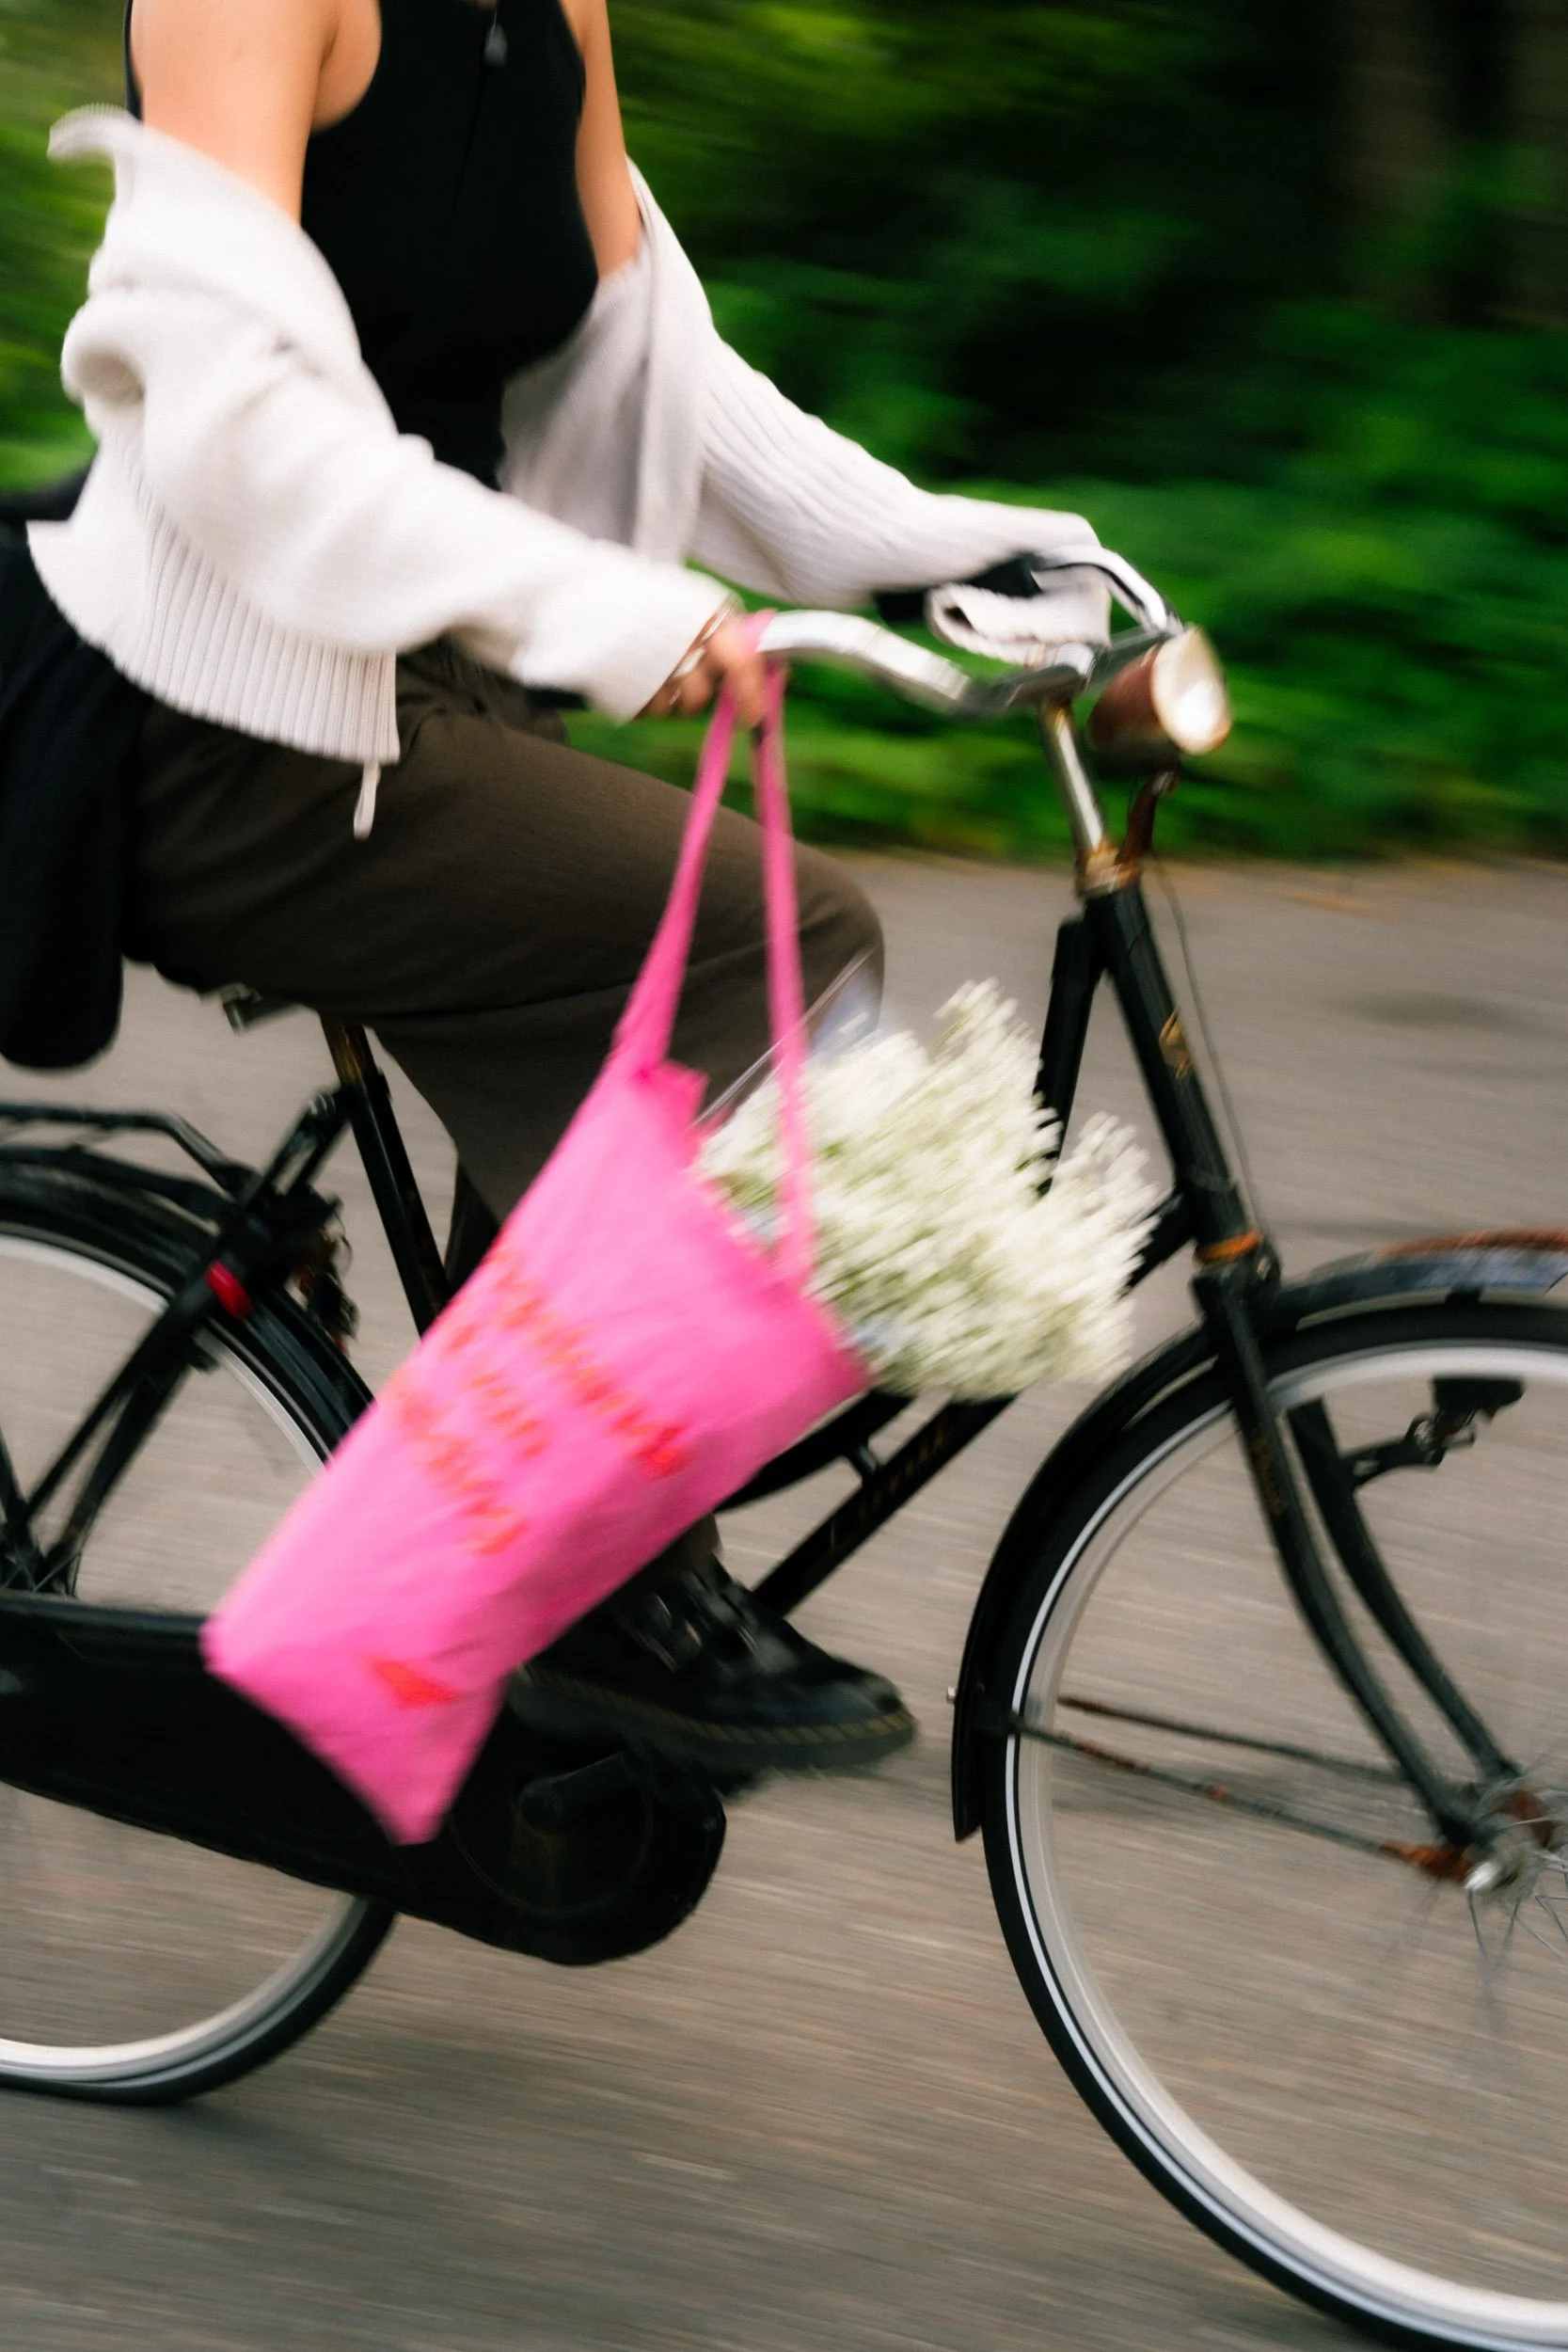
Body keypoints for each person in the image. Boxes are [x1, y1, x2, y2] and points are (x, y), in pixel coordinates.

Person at [29, 0, 1107, 1780]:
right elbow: (232, 432)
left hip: (419, 692)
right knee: (769, 935)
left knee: (659, 1010)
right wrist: (610, 607)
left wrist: (959, 549)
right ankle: (579, 1572)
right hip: (212, 717)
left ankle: (541, 1539)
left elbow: (652, 375)